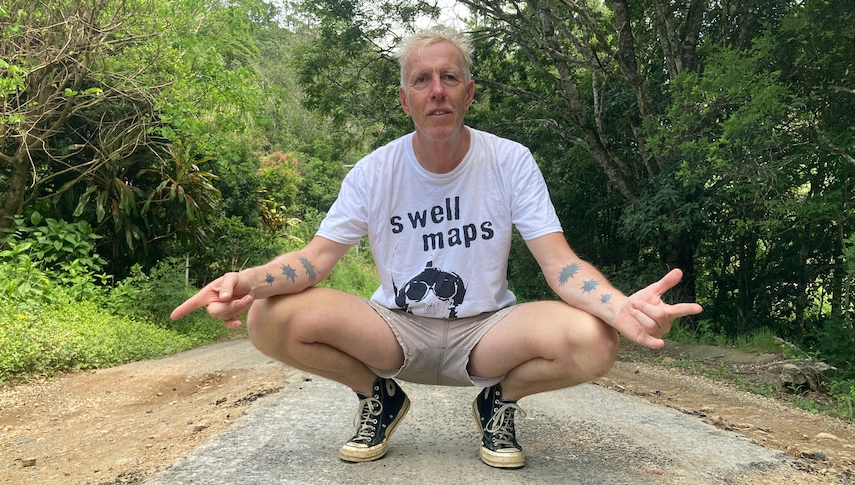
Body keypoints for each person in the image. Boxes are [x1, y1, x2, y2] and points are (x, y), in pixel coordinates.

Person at [171, 26, 703, 469]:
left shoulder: (510, 161)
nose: (437, 91)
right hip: (394, 329)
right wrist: (247, 280)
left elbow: (560, 264)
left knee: (595, 340)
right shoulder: (375, 172)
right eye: (422, 80)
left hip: (486, 331)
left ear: (468, 93)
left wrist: (620, 308)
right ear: (405, 100)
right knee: (271, 319)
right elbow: (313, 261)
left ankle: (501, 401)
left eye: (450, 77)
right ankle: (379, 398)